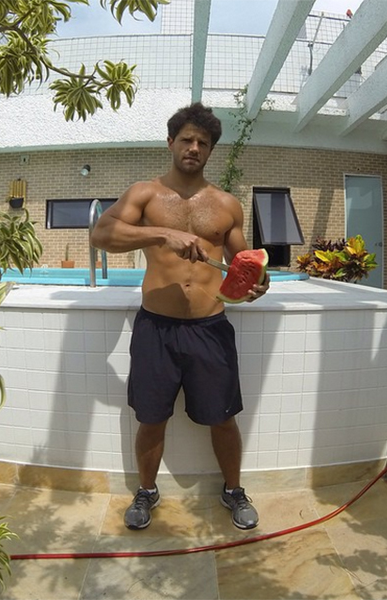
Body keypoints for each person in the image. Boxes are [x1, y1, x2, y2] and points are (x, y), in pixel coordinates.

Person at [90, 102, 270, 531]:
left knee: (223, 417)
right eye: (187, 140)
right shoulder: (144, 194)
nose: (194, 148)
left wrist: (257, 283)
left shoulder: (226, 204)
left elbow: (243, 261)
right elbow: (101, 234)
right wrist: (161, 233)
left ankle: (233, 490)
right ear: (171, 143)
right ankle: (146, 491)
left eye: (203, 143)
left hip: (210, 327)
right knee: (151, 418)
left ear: (211, 151)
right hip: (157, 327)